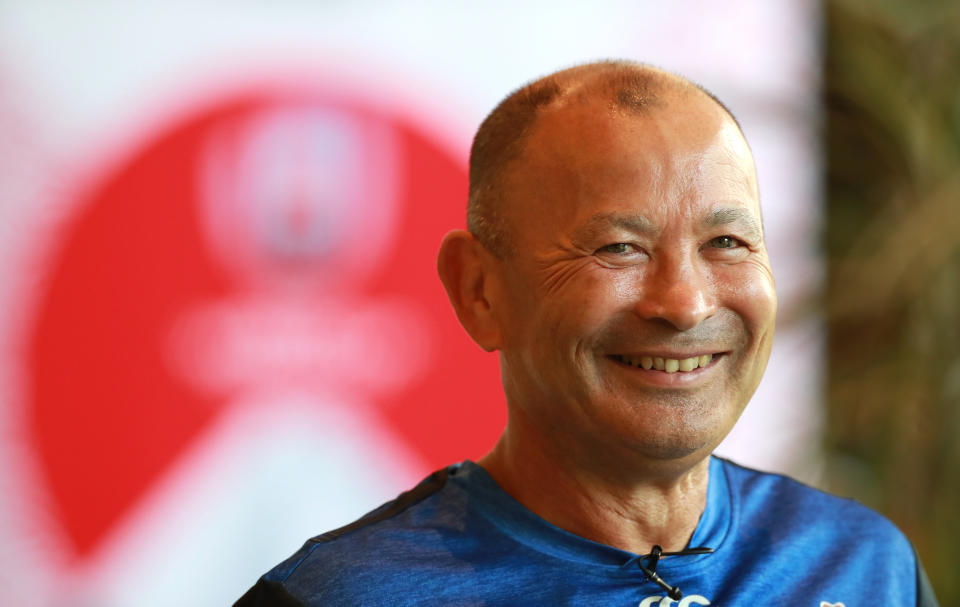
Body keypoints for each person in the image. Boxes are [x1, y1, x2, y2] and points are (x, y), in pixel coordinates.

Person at [234, 60, 938, 606]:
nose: (686, 303)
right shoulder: (346, 596)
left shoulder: (862, 565)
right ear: (479, 289)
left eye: (727, 241)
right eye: (618, 248)